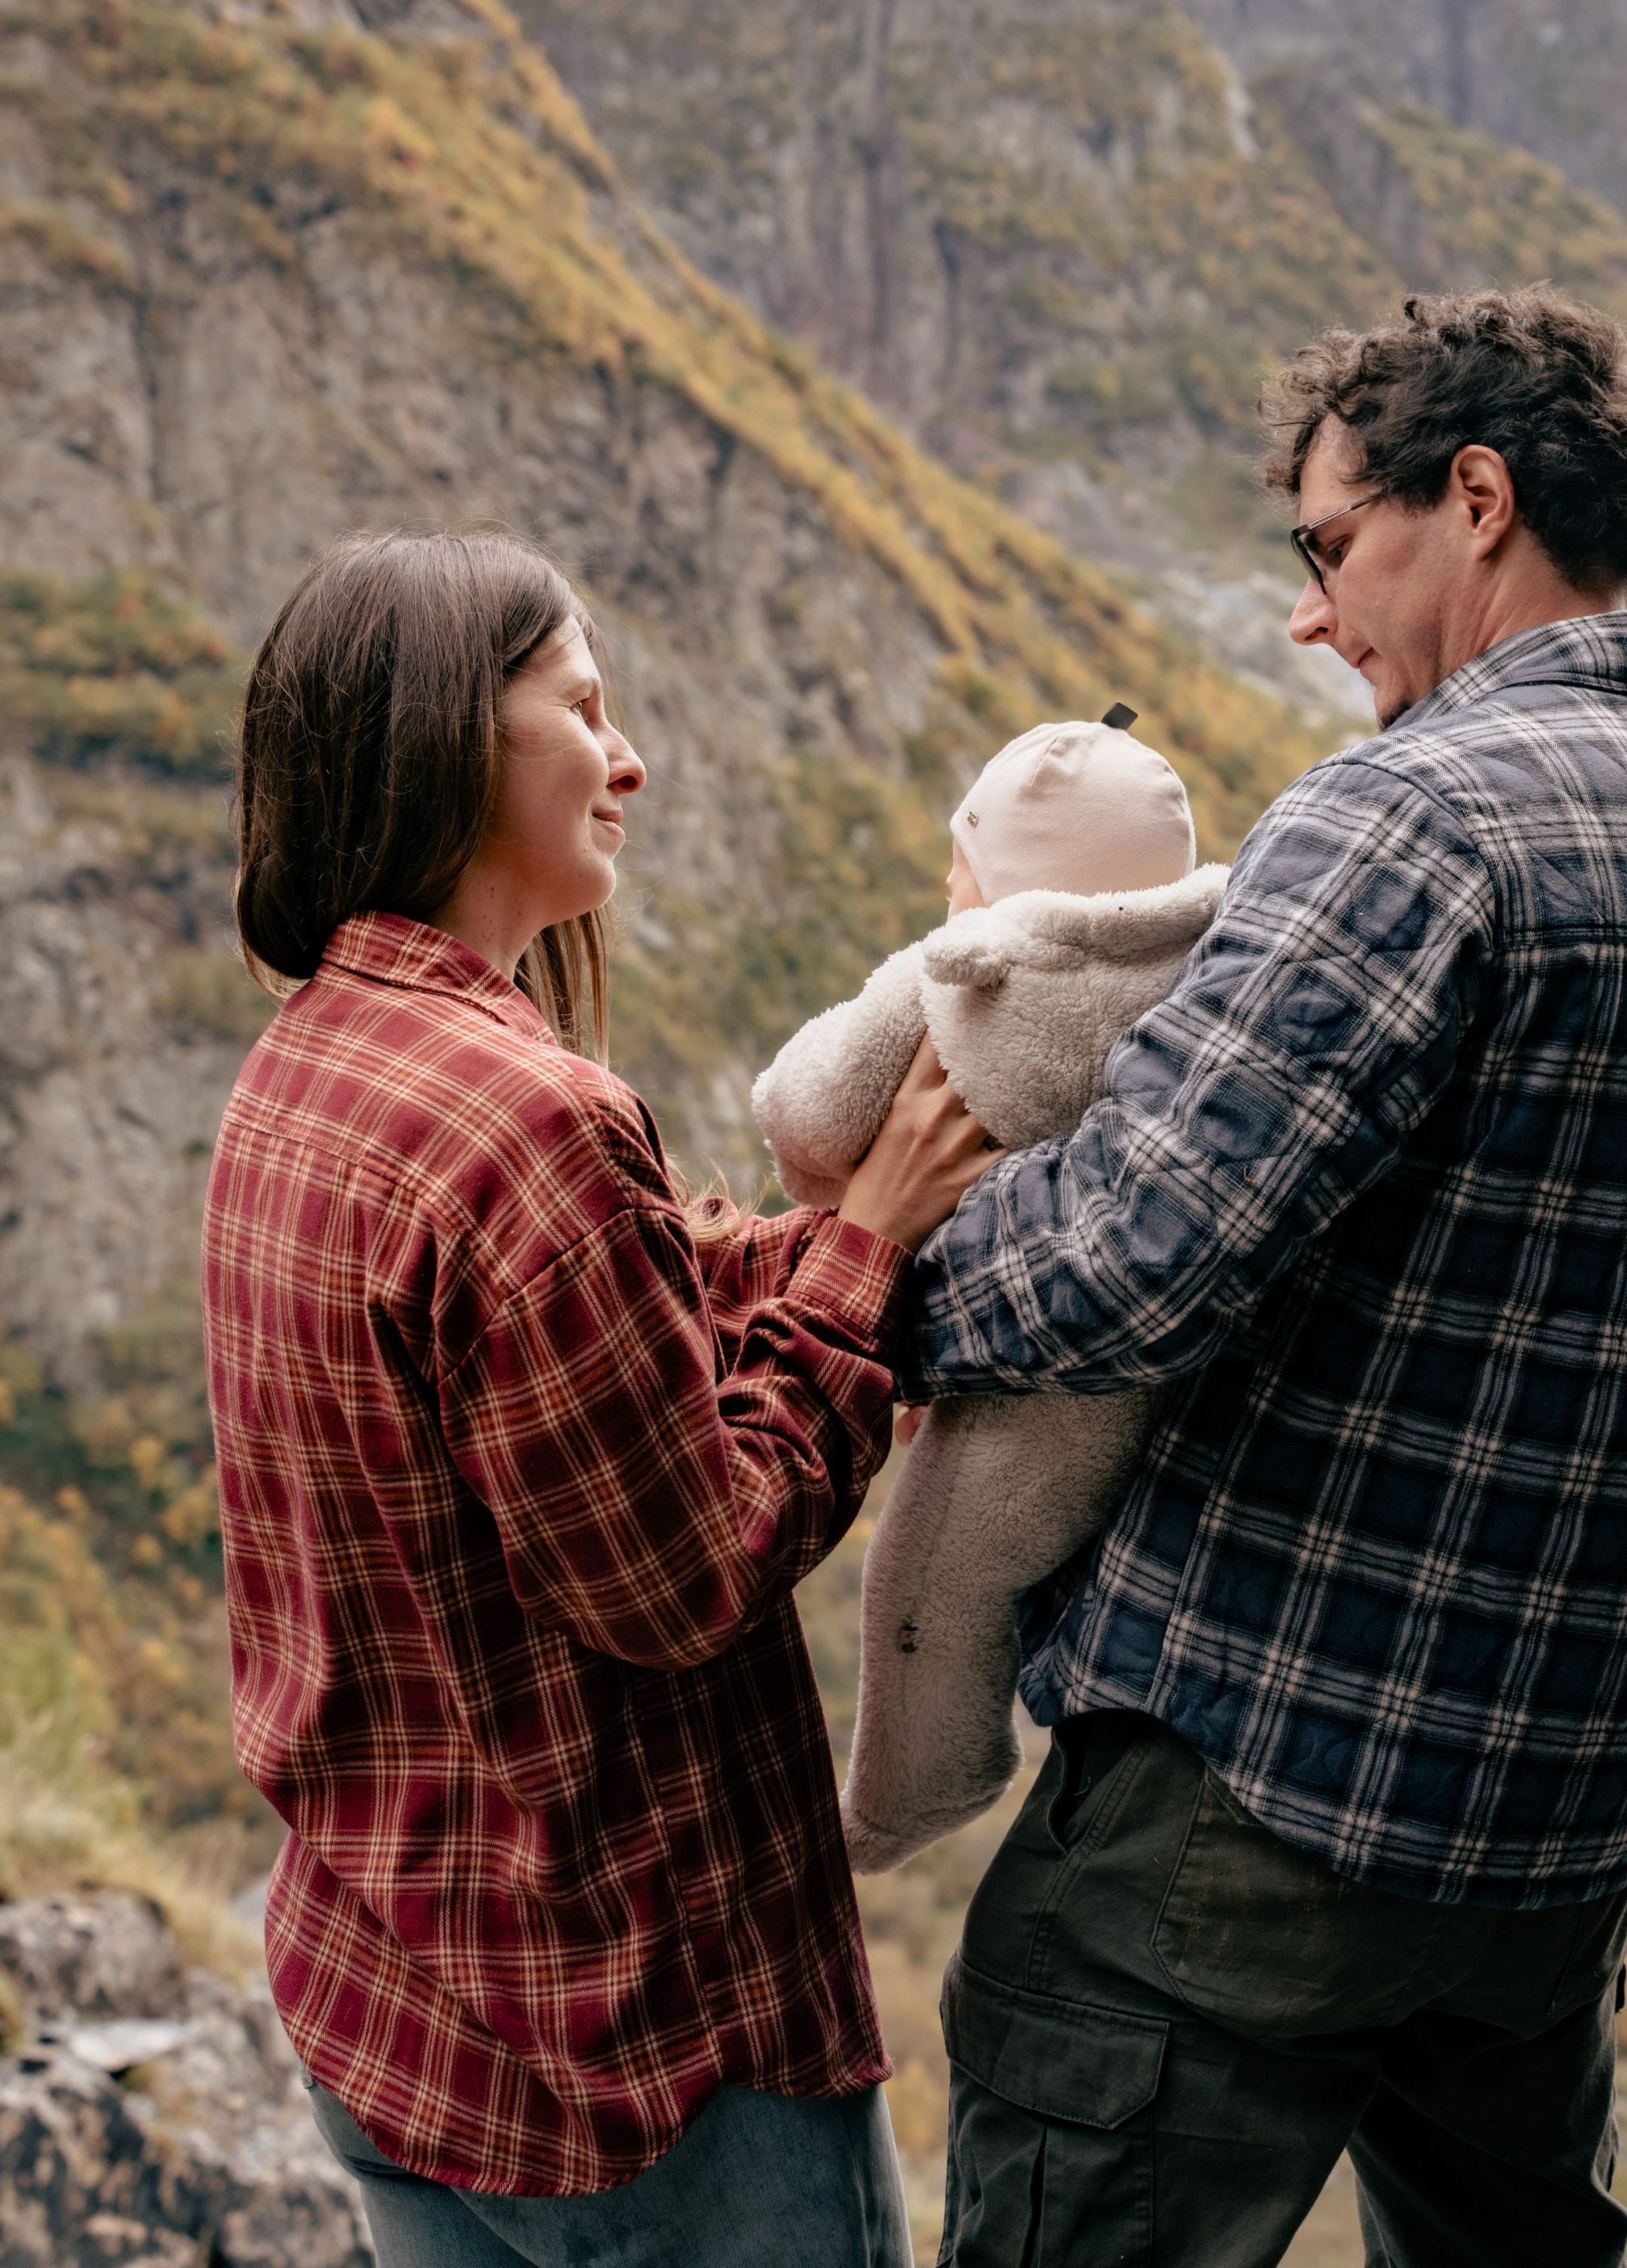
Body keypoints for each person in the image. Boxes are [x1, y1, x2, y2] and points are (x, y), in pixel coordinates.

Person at [901, 286, 1627, 2268]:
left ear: (1474, 498)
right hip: (1549, 1855)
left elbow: (1127, 1253)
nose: (1313, 616)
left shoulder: (1417, 812)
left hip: (1257, 1801)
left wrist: (848, 1278)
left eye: (1331, 549)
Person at [202, 531, 985, 2268]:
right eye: (583, 707)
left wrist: (823, 1254)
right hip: (633, 2062)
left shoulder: (307, 1063)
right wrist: (863, 1258)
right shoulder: (524, 1117)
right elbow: (692, 1566)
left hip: (394, 1995)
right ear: (449, 744)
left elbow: (596, 1317)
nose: (626, 756)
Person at [752, 713, 1226, 1873]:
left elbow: (805, 1109)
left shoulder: (969, 973)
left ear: (1004, 879)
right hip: (1164, 1355)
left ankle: (910, 1795)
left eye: (959, 861)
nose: (944, 883)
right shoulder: (1216, 972)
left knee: (934, 1572)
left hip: (1021, 1379)